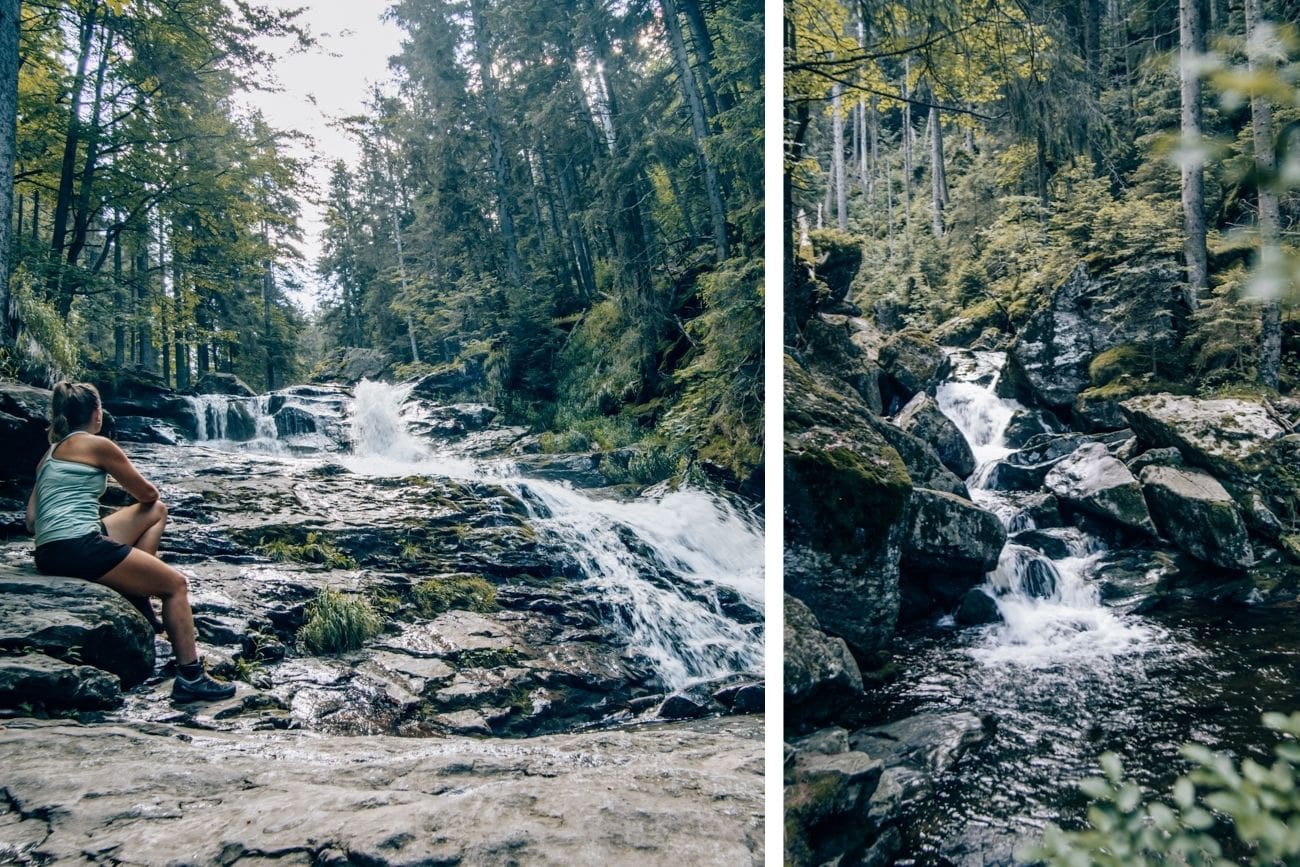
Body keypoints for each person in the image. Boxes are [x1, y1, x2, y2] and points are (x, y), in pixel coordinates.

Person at [24, 381, 235, 702]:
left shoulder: (47, 457)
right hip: (79, 546)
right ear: (97, 413)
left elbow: (30, 522)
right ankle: (191, 677)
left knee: (155, 513)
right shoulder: (99, 446)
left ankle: (137, 593)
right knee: (175, 585)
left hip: (49, 550)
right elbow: (148, 494)